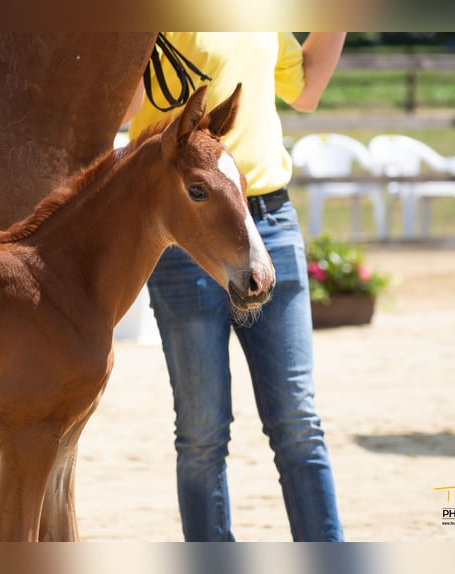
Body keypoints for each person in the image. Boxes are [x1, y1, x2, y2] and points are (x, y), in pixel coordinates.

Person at [128, 32, 347, 541]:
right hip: (188, 238)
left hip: (269, 219)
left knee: (298, 420)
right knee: (202, 432)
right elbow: (125, 107)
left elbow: (308, 89)